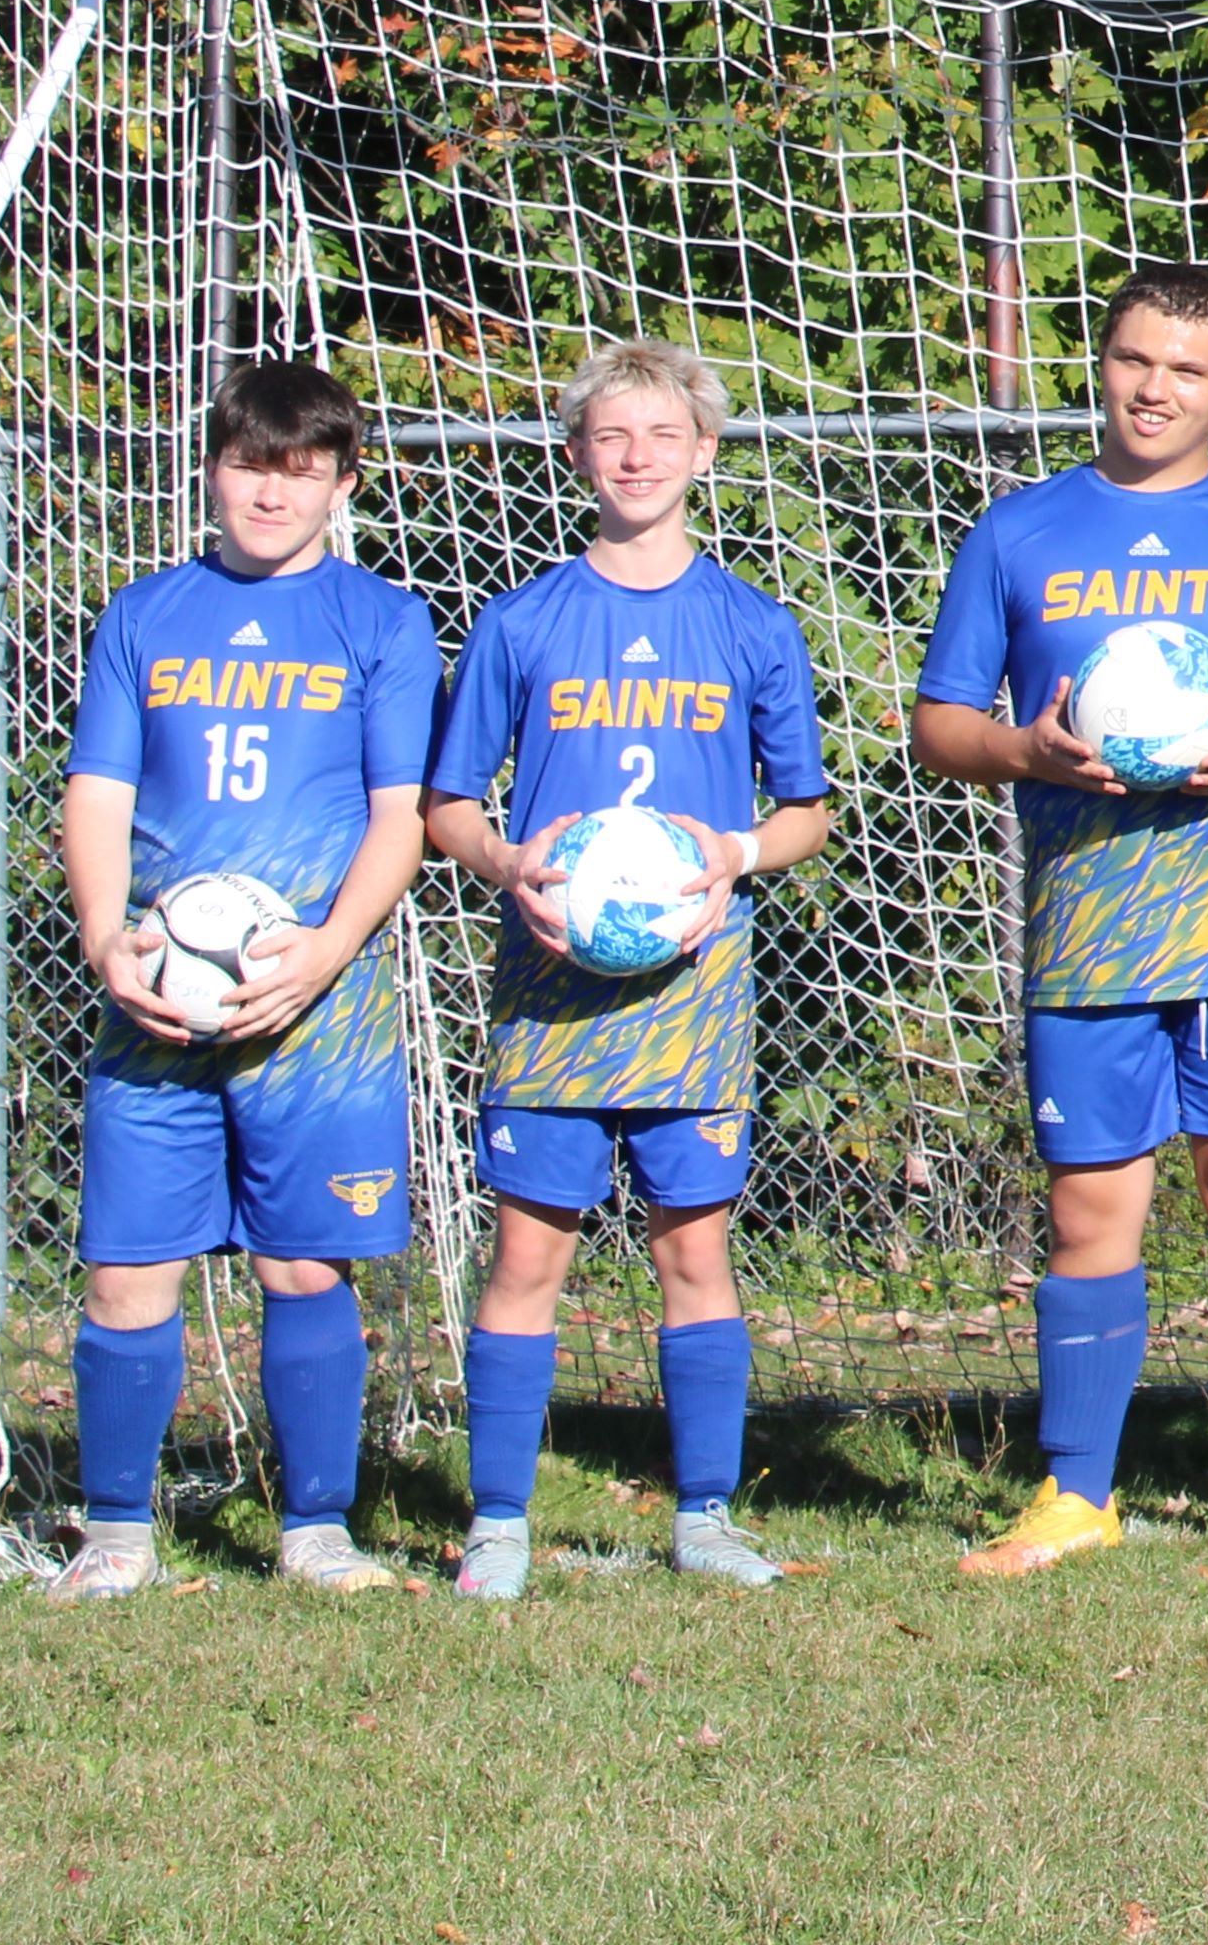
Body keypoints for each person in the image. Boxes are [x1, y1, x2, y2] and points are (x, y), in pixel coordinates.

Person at [913, 263, 1208, 1576]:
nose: (1153, 389)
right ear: (1102, 365)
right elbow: (939, 725)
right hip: (1086, 936)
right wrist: (1027, 750)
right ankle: (1076, 1492)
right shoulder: (1018, 532)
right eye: (1133, 360)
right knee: (1089, 1212)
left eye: (1185, 370)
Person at [422, 337, 837, 1599]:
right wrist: (506, 862)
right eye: (613, 436)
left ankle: (704, 1513)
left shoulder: (753, 624)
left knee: (692, 1252)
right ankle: (499, 1521)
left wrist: (737, 851)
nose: (639, 457)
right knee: (527, 1255)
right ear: (577, 457)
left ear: (705, 454)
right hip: (551, 992)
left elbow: (808, 812)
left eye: (663, 435)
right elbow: (446, 803)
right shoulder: (524, 621)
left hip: (692, 993)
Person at [46, 358, 442, 1600]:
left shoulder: (382, 620)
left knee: (303, 1264)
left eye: (303, 470)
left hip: (316, 1006)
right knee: (128, 1269)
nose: (272, 493)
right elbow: (98, 793)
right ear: (212, 467)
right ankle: (116, 1533)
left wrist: (323, 951)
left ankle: (316, 1530)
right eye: (250, 465)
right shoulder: (145, 615)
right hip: (157, 997)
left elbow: (402, 815)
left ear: (341, 481)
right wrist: (110, 938)